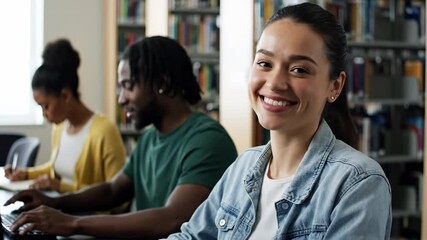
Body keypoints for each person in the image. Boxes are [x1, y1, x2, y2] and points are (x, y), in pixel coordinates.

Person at [166, 3, 392, 239]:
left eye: (299, 70)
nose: (274, 83)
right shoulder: (244, 167)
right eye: (264, 64)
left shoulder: (358, 183)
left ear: (334, 85)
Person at [5, 36, 238, 239]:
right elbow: (112, 191)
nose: (121, 99)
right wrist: (54, 202)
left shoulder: (207, 140)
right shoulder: (149, 138)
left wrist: (71, 223)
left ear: (162, 84)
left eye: (128, 86)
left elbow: (172, 219)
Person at [4, 39, 126, 193]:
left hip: (91, 215)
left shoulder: (105, 131)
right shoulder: (60, 128)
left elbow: (117, 194)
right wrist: (26, 173)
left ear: (65, 95)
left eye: (46, 106)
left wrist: (58, 186)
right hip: (63, 210)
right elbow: (56, 167)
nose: (44, 114)